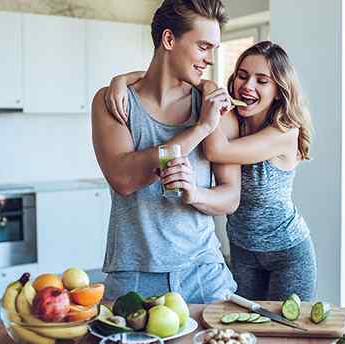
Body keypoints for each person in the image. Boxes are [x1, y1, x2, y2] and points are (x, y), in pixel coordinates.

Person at [106, 41, 317, 301]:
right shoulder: (233, 119)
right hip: (242, 250)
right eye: (242, 75)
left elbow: (216, 151)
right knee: (248, 330)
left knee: (287, 335)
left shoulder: (284, 132)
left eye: (262, 81)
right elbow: (169, 75)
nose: (248, 86)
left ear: (278, 91)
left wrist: (209, 92)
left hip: (286, 252)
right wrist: (122, 79)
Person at [91, 0, 240, 304]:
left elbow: (231, 197)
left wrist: (195, 193)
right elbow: (124, 178)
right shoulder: (114, 102)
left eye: (213, 49)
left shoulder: (213, 104)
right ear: (169, 39)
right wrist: (199, 129)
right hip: (133, 276)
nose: (208, 59)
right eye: (202, 47)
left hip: (205, 275)